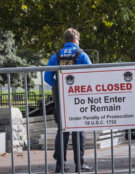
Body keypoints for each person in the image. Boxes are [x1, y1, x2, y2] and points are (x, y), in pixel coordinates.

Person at [44, 28, 93, 173]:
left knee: (62, 130)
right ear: (75, 40)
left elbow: (47, 78)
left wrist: (60, 87)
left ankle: (60, 165)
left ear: (65, 40)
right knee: (79, 130)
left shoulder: (56, 56)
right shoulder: (81, 55)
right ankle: (80, 164)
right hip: (77, 98)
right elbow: (92, 74)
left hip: (61, 98)